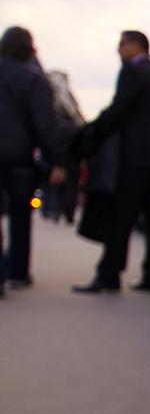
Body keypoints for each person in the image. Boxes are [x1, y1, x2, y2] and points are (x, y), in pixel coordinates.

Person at [73, 30, 150, 294]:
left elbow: (118, 110)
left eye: (121, 45)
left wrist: (90, 135)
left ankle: (108, 275)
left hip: (137, 157)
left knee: (121, 216)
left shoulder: (133, 72)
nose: (118, 51)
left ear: (134, 46)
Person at [0, 26, 67, 296]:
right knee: (20, 215)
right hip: (20, 157)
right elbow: (45, 125)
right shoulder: (34, 79)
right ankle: (17, 272)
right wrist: (57, 161)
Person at [42, 69, 84, 223]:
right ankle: (69, 214)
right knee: (71, 188)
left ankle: (54, 210)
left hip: (58, 158)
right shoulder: (74, 127)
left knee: (55, 187)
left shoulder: (57, 126)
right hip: (73, 161)